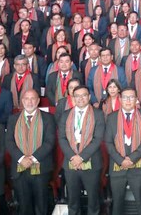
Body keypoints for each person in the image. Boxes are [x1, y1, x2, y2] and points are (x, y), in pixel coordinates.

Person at [6, 89, 56, 215]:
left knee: (41, 206)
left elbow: (49, 142)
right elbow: (9, 142)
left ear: (38, 101)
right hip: (20, 168)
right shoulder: (13, 119)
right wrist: (22, 158)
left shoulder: (48, 118)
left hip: (41, 168)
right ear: (22, 101)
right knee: (24, 206)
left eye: (33, 98)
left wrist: (32, 158)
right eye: (27, 99)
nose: (29, 102)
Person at [58, 85, 105, 215]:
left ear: (89, 97)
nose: (80, 98)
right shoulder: (66, 115)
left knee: (93, 199)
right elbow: (61, 138)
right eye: (77, 96)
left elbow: (98, 138)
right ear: (73, 98)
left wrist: (81, 157)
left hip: (92, 162)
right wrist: (73, 157)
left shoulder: (98, 114)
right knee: (72, 200)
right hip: (71, 162)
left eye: (84, 95)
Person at [105, 87, 141, 215]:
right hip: (117, 167)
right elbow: (108, 142)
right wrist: (121, 160)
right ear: (120, 99)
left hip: (138, 167)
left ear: (136, 99)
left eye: (131, 97)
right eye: (125, 97)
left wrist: (132, 158)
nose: (128, 100)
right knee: (117, 205)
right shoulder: (111, 117)